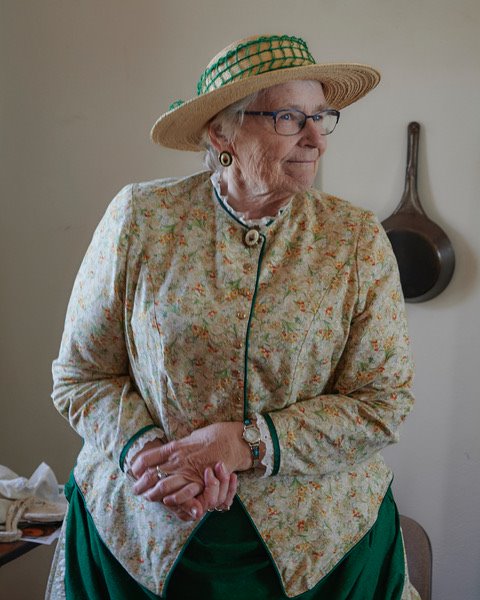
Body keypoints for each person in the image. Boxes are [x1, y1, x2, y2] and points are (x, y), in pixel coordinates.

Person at [47, 34, 420, 599]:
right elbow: (81, 375)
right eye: (291, 117)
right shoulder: (141, 218)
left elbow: (383, 400)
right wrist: (153, 458)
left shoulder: (355, 239)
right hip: (139, 534)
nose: (317, 138)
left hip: (322, 547)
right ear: (223, 131)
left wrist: (247, 443)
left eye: (323, 116)